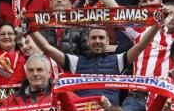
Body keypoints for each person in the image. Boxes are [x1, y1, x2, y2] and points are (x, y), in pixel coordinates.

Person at [31, 12, 164, 106]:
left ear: (107, 41)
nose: (97, 41)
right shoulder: (75, 62)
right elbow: (46, 48)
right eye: (94, 38)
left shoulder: (118, 60)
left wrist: (157, 24)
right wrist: (30, 27)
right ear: (87, 41)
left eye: (101, 38)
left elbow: (141, 46)